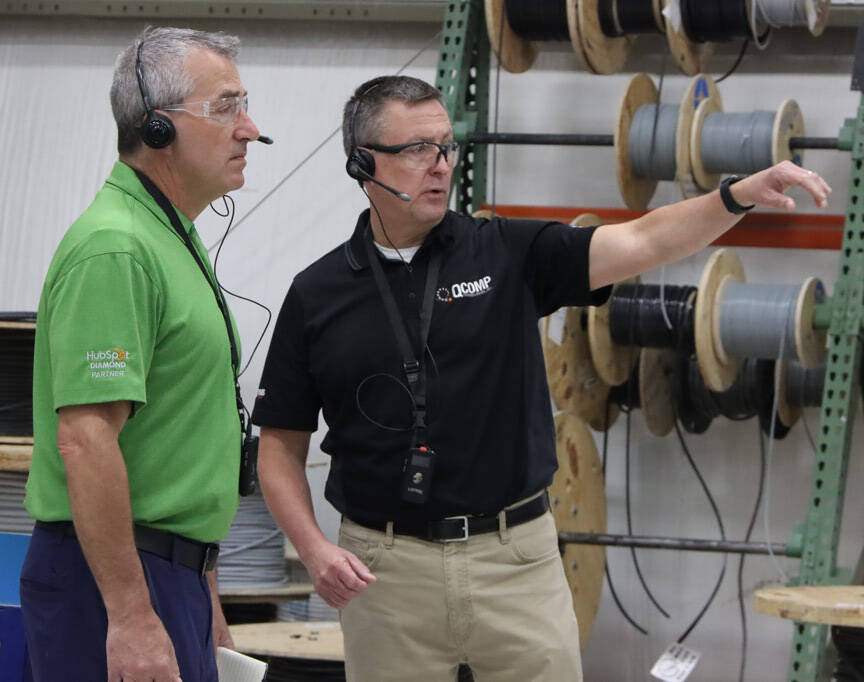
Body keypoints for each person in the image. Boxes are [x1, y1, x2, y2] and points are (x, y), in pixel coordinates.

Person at [252, 75, 830, 681]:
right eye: (418, 149)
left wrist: (735, 195)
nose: (440, 166)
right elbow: (280, 448)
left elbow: (642, 239)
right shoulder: (316, 294)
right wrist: (314, 548)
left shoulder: (506, 251)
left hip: (515, 560)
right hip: (386, 569)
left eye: (446, 147)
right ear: (363, 164)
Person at [20, 26, 262, 682]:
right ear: (157, 129)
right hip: (113, 585)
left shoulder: (167, 237)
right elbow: (88, 441)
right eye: (226, 108)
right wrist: (130, 614)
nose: (250, 128)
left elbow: (174, 442)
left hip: (165, 575)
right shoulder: (117, 249)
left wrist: (201, 586)